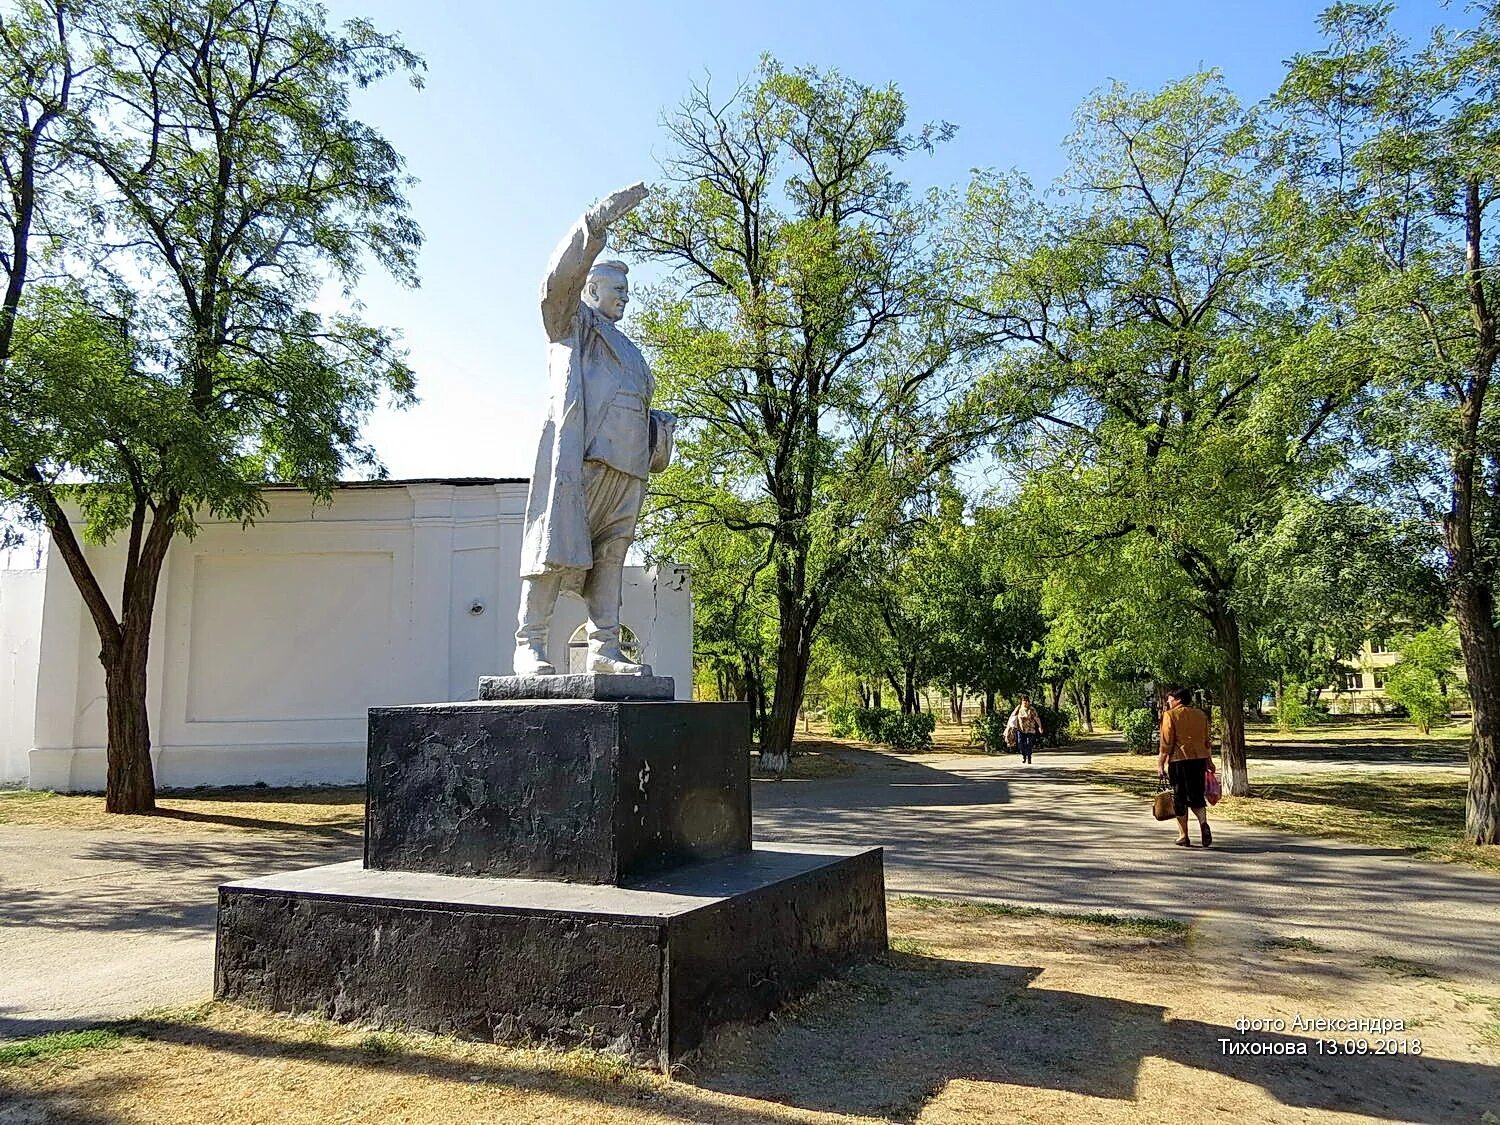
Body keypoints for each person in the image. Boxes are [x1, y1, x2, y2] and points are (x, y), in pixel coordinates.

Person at [514, 183, 676, 676]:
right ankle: (530, 642)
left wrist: (657, 431)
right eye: (616, 290)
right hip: (584, 460)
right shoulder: (572, 324)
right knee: (554, 546)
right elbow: (555, 283)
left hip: (629, 467)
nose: (625, 297)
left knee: (611, 553)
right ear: (590, 291)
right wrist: (594, 225)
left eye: (627, 291)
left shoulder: (630, 349)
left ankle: (604, 646)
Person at [1157, 686, 1214, 846]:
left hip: (1179, 761)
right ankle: (1203, 824)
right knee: (1197, 796)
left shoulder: (1170, 715)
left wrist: (1160, 763)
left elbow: (1166, 743)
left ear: (1178, 699)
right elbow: (1206, 741)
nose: (1168, 702)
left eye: (1170, 699)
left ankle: (1183, 835)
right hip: (1199, 761)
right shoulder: (1201, 715)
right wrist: (1209, 761)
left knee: (1180, 798)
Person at [1007, 694, 1044, 764]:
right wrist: (1010, 726)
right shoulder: (1018, 708)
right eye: (1024, 701)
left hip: (1030, 730)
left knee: (1028, 743)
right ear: (1021, 701)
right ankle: (1024, 755)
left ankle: (1029, 757)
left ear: (1029, 702)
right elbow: (1012, 717)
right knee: (1020, 743)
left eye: (1026, 701)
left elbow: (1037, 718)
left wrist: (1040, 727)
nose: (1025, 702)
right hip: (1020, 729)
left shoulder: (1032, 709)